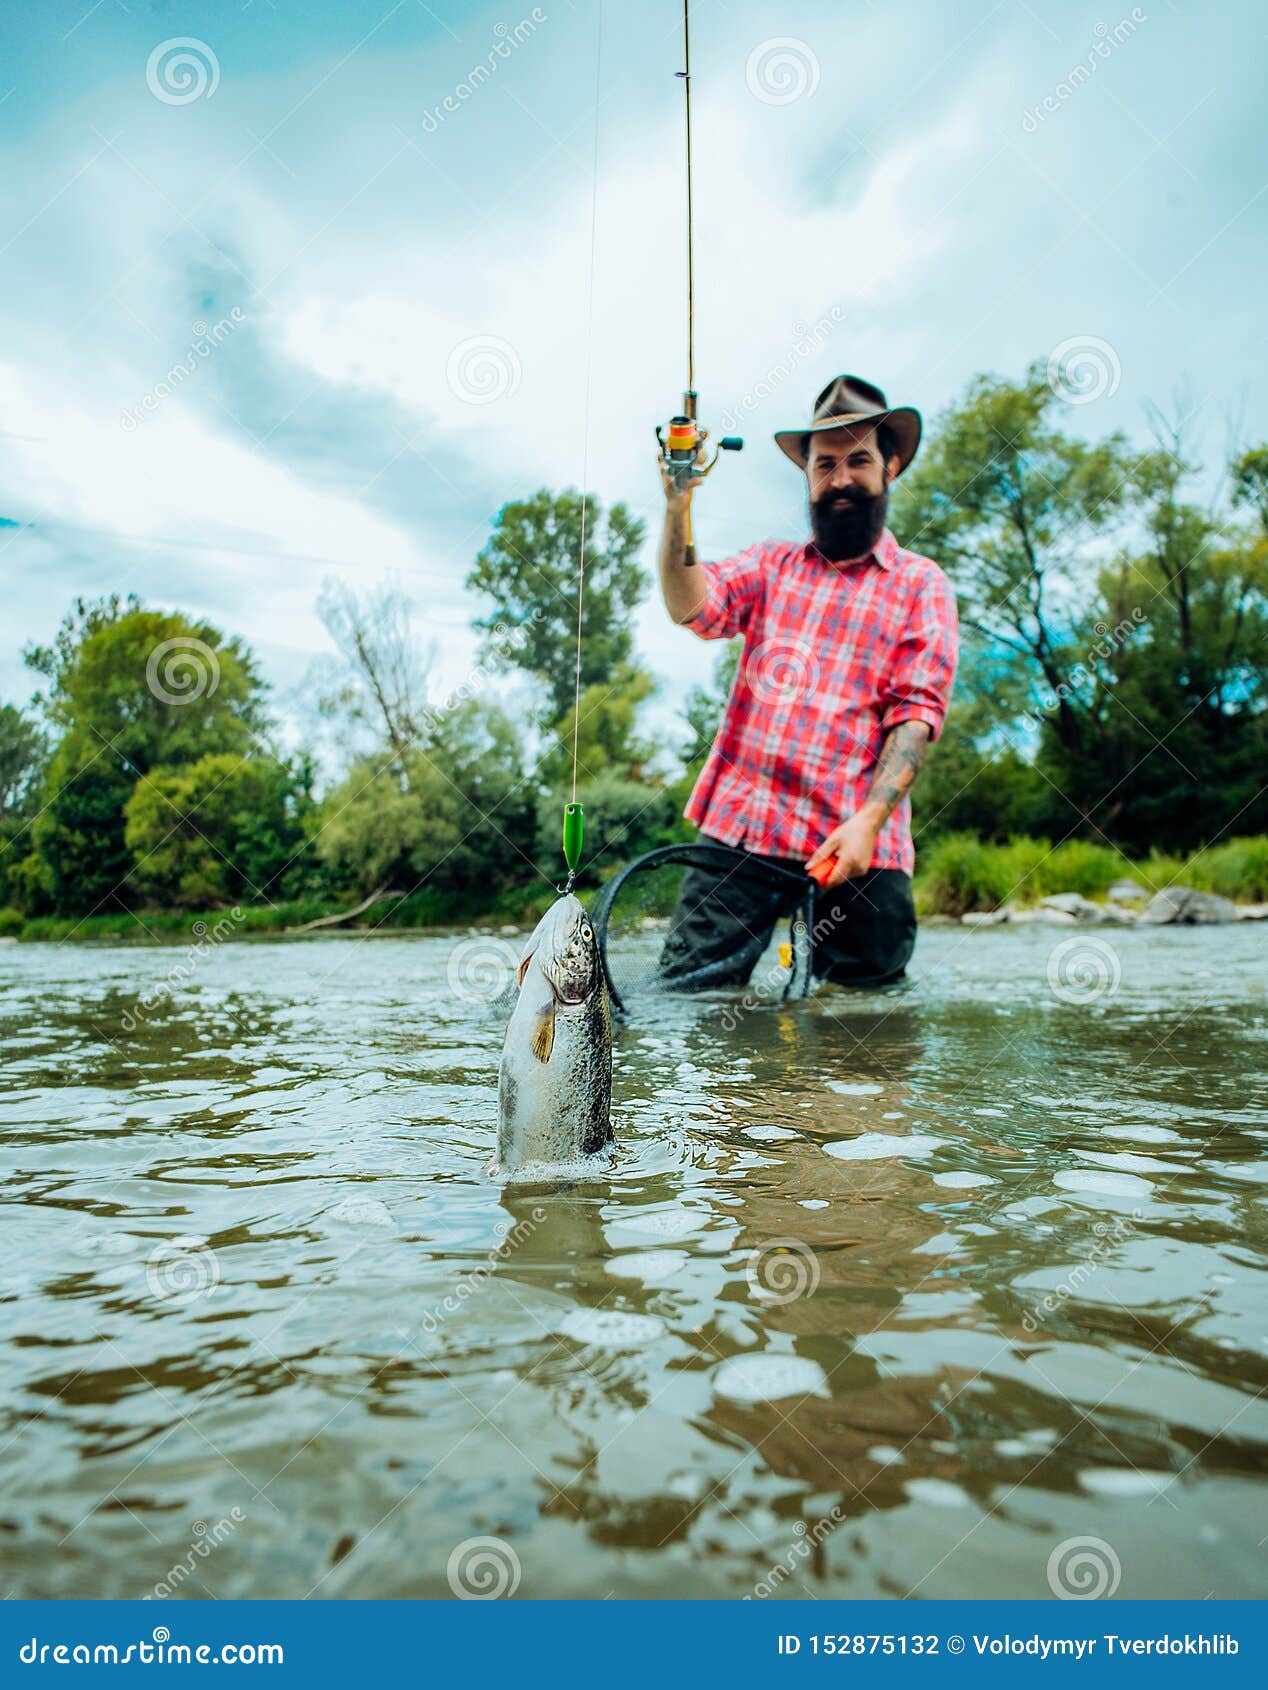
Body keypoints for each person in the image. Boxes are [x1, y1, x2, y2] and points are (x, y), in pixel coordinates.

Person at [656, 373, 958, 991]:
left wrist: (869, 823)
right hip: (742, 830)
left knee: (867, 1032)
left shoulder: (922, 584)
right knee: (685, 1008)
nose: (841, 478)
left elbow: (915, 714)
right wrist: (678, 505)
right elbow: (690, 605)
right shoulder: (770, 565)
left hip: (857, 842)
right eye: (824, 465)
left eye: (859, 461)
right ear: (807, 475)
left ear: (890, 469)